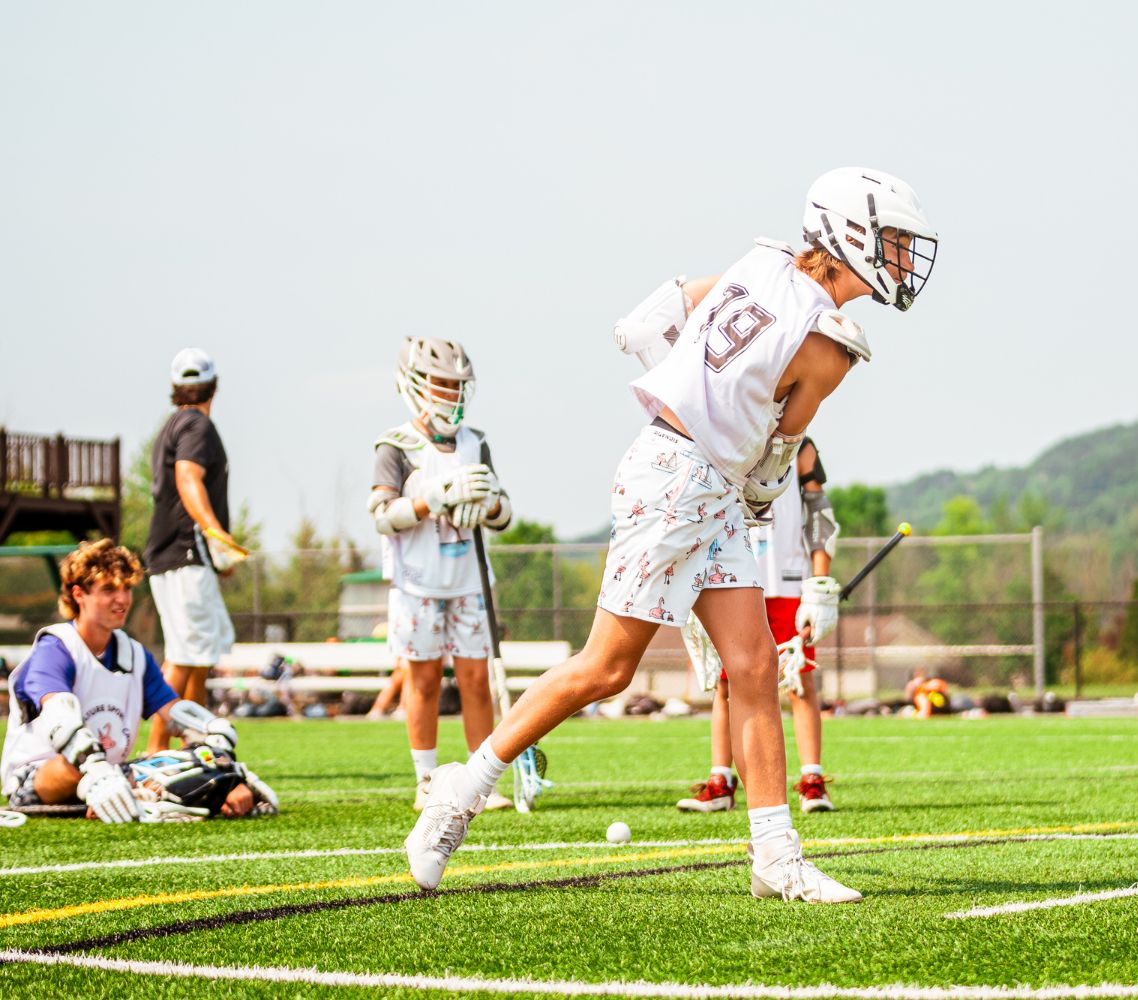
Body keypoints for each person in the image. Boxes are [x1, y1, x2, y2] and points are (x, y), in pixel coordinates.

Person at [405, 167, 937, 902]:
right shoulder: (829, 348)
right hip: (685, 484)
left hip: (683, 472)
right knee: (606, 669)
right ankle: (457, 797)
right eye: (894, 240)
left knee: (753, 670)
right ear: (851, 236)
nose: (904, 257)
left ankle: (775, 858)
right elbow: (775, 458)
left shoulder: (763, 263)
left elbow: (662, 314)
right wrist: (735, 459)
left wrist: (689, 393)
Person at [1, 539, 269, 822]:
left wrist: (223, 768)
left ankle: (129, 793)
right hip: (40, 777)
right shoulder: (56, 647)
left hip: (114, 773)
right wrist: (96, 770)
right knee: (74, 767)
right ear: (79, 594)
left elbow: (176, 715)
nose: (122, 599)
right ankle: (116, 791)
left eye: (126, 588)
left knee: (193, 767)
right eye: (108, 589)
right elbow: (60, 714)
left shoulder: (133, 654)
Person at [368, 338, 514, 811]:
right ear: (415, 386)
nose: (451, 395)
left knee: (475, 680)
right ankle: (426, 780)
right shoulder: (397, 445)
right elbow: (381, 513)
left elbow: (504, 513)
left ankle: (478, 780)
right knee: (424, 680)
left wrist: (486, 502)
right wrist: (436, 497)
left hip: (469, 578)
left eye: (457, 386)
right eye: (442, 385)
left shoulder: (476, 443)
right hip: (417, 581)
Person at [676, 437, 841, 814]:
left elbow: (819, 515)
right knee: (725, 681)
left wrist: (819, 583)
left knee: (799, 679)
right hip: (732, 577)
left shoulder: (800, 446)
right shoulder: (722, 434)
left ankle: (812, 780)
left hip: (787, 580)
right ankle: (721, 780)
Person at [144, 348, 247, 753]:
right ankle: (155, 749)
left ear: (175, 388)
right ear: (214, 387)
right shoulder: (197, 426)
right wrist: (216, 535)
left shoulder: (172, 423)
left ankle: (196, 741)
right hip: (186, 554)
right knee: (186, 654)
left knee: (195, 652)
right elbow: (188, 478)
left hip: (172, 555)